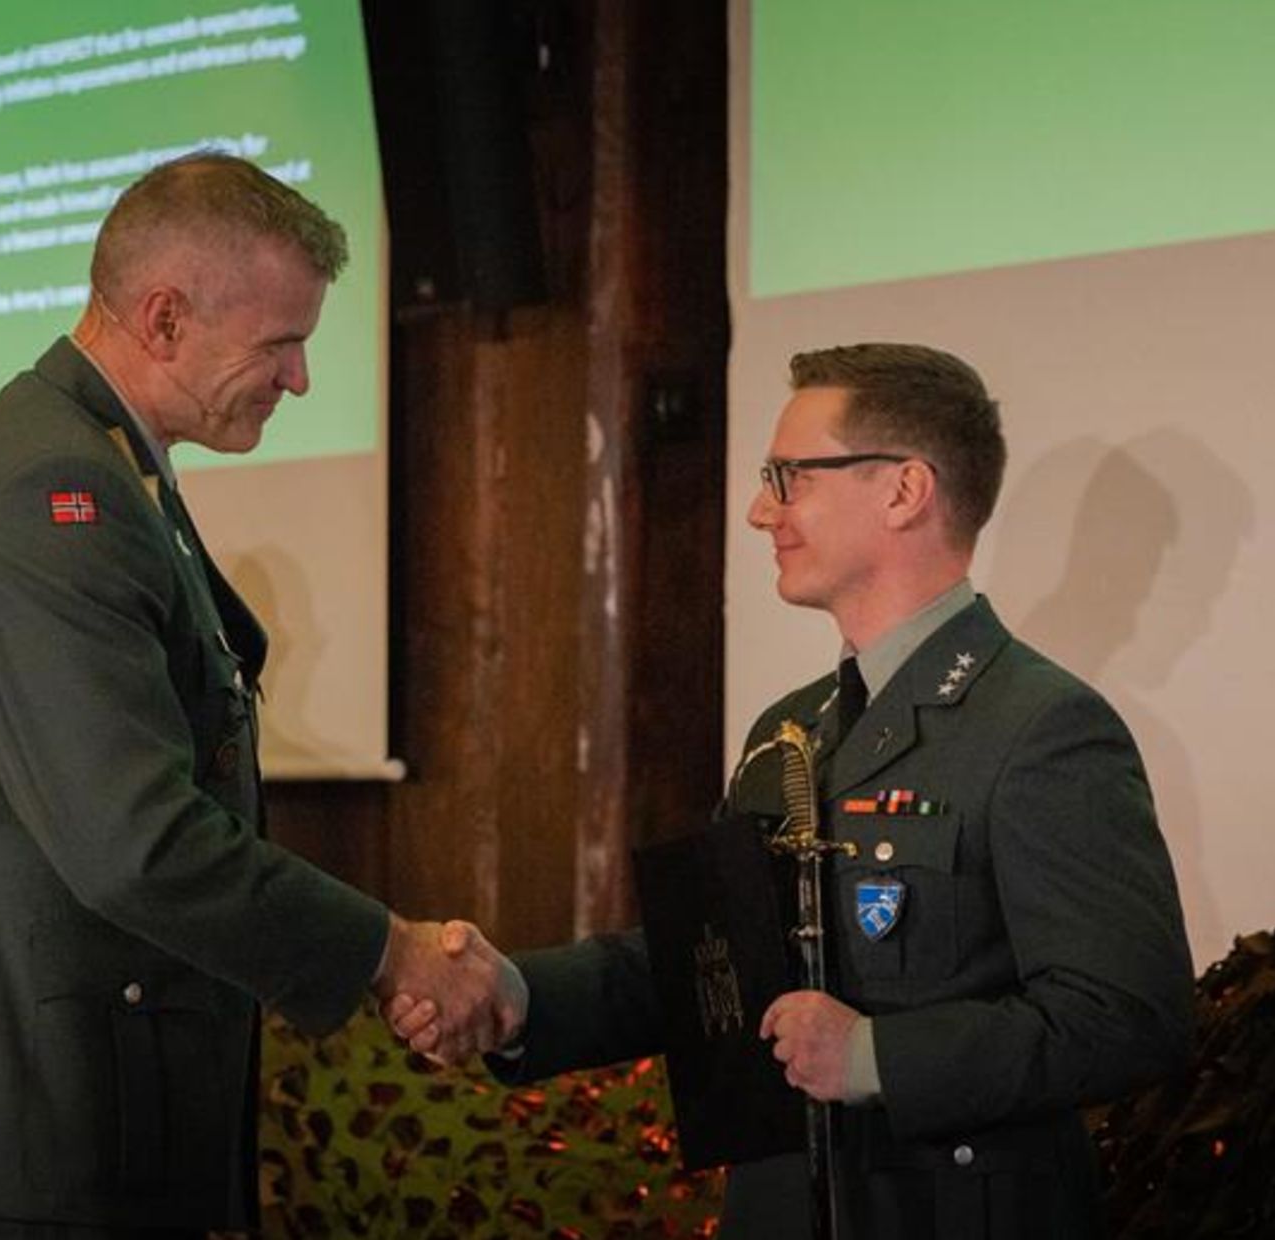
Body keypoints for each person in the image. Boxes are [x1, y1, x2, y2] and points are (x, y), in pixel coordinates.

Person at [0, 153, 513, 1238]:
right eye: (280, 342)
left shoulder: (103, 460)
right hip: (43, 1122)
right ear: (163, 319)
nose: (298, 378)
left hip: (80, 1103)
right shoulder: (50, 489)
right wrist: (391, 948)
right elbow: (133, 841)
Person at [393, 344, 1197, 1239]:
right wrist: (520, 996)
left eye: (788, 477)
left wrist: (874, 1057)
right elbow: (720, 972)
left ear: (903, 491)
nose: (759, 510)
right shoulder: (791, 729)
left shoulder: (1041, 727)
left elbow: (1130, 1017)